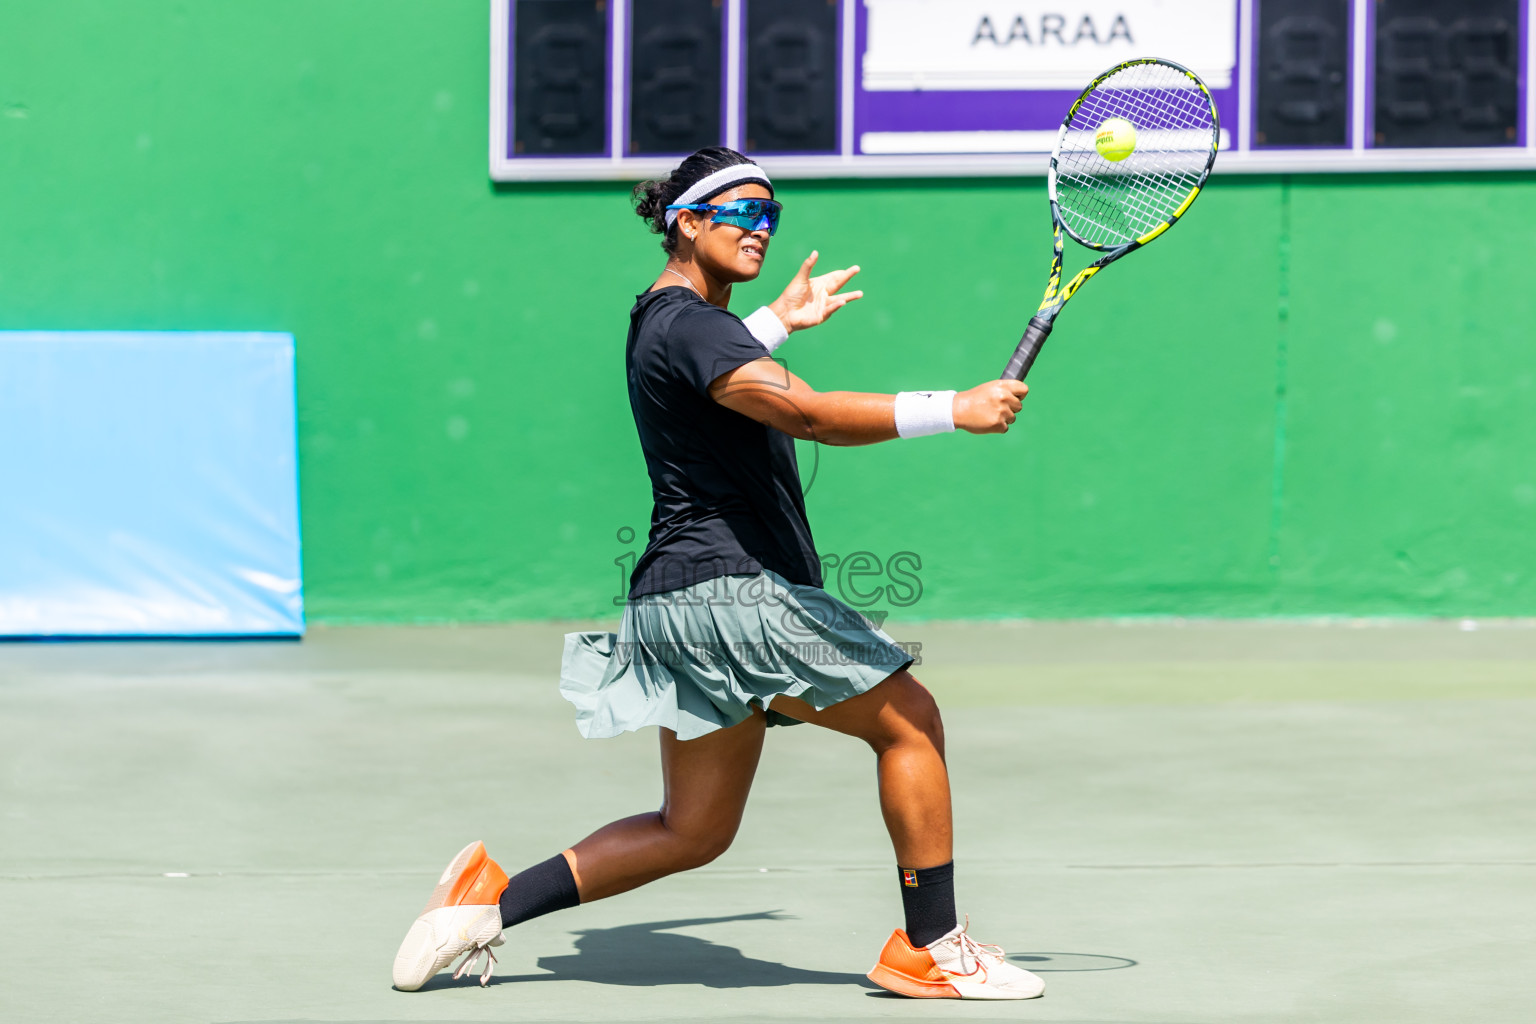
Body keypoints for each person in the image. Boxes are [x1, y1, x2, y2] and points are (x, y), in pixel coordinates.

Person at [391, 147, 1041, 1000]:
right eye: (739, 211)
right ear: (687, 222)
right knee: (910, 725)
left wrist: (769, 322)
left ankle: (484, 908)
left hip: (672, 601)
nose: (760, 228)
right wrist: (950, 409)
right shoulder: (696, 326)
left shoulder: (662, 317)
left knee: (692, 830)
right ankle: (934, 947)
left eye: (770, 215)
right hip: (730, 593)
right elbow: (803, 412)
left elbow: (703, 376)